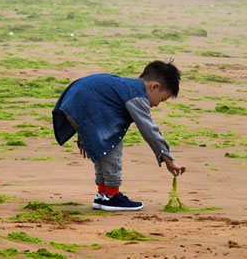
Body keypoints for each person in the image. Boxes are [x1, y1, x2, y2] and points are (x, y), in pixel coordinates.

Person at [52, 60, 186, 211]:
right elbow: (149, 129)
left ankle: (102, 194)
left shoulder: (127, 86)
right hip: (85, 104)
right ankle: (112, 196)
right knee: (112, 143)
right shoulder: (137, 95)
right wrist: (168, 159)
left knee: (103, 147)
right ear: (154, 86)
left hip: (75, 100)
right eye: (162, 99)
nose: (157, 105)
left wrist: (85, 135)